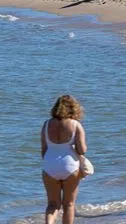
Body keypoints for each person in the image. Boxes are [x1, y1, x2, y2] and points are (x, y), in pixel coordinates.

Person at [41, 95, 87, 224]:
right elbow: (82, 150)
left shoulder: (46, 124)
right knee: (69, 204)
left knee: (52, 204)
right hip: (69, 166)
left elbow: (44, 150)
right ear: (73, 108)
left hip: (50, 165)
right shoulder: (75, 125)